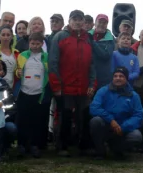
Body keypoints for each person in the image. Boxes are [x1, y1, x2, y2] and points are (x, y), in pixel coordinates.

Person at [48, 10, 96, 156]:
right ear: (69, 21)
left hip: (83, 87)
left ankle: (84, 146)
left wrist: (92, 84)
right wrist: (56, 86)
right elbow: (53, 62)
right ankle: (62, 146)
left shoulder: (88, 39)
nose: (77, 22)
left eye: (80, 19)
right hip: (65, 86)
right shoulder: (60, 37)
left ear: (83, 22)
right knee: (65, 117)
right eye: (74, 19)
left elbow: (92, 64)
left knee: (84, 116)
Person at [88, 66, 143, 159]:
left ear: (126, 78)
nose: (118, 78)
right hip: (106, 125)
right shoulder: (103, 91)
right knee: (95, 121)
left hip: (123, 129)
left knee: (137, 136)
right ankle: (100, 151)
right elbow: (94, 108)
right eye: (115, 76)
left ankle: (116, 149)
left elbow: (138, 115)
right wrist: (111, 120)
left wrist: (123, 127)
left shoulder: (134, 95)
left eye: (121, 76)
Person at [15, 32, 50, 159]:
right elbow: (17, 69)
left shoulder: (46, 56)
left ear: (42, 44)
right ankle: (21, 145)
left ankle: (35, 145)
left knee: (37, 121)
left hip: (39, 93)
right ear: (29, 43)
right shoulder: (22, 55)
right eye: (32, 43)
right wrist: (17, 72)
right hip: (24, 92)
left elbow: (49, 73)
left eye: (37, 43)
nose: (35, 46)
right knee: (23, 120)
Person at [88, 15, 116, 90]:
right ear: (95, 23)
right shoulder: (87, 35)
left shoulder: (110, 39)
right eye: (100, 22)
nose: (102, 24)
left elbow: (106, 55)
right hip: (87, 76)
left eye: (104, 23)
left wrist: (93, 43)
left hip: (103, 78)